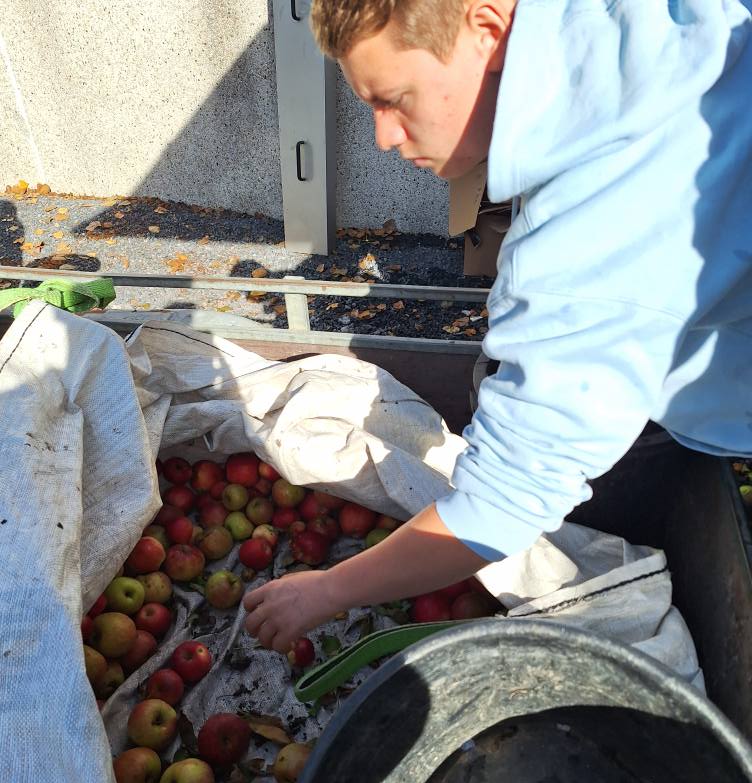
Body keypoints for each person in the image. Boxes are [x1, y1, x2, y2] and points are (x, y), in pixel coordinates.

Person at [245, 0, 752, 653]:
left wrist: (325, 591)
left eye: (395, 100)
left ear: (486, 30)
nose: (383, 136)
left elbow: (500, 507)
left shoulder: (588, 239)